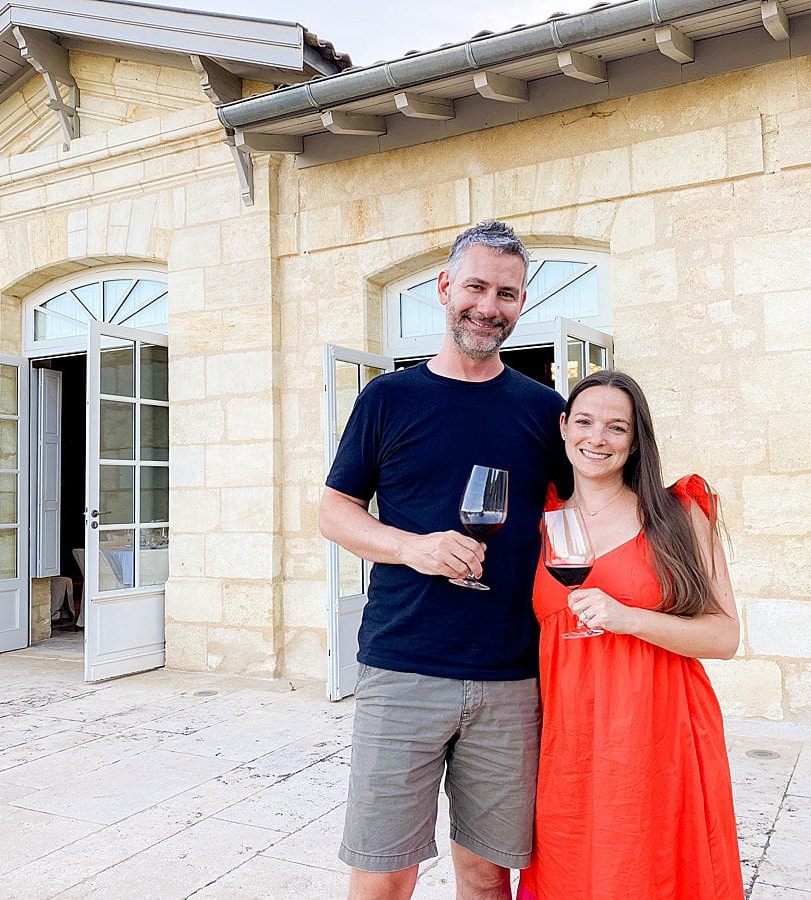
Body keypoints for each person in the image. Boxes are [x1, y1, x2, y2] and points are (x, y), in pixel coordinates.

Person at [319, 220, 569, 900]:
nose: (489, 307)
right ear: (444, 287)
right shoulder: (388, 399)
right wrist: (413, 548)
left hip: (511, 680)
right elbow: (333, 511)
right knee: (383, 871)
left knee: (487, 874)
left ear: (523, 304)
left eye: (508, 294)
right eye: (477, 287)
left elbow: (586, 513)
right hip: (402, 668)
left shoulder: (545, 411)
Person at [518, 369, 744, 900]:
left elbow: (724, 637)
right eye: (585, 422)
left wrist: (629, 618)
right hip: (568, 739)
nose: (597, 438)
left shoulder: (678, 513)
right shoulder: (541, 520)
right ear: (563, 427)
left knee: (653, 868)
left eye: (616, 428)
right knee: (570, 868)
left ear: (636, 438)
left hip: (658, 733)